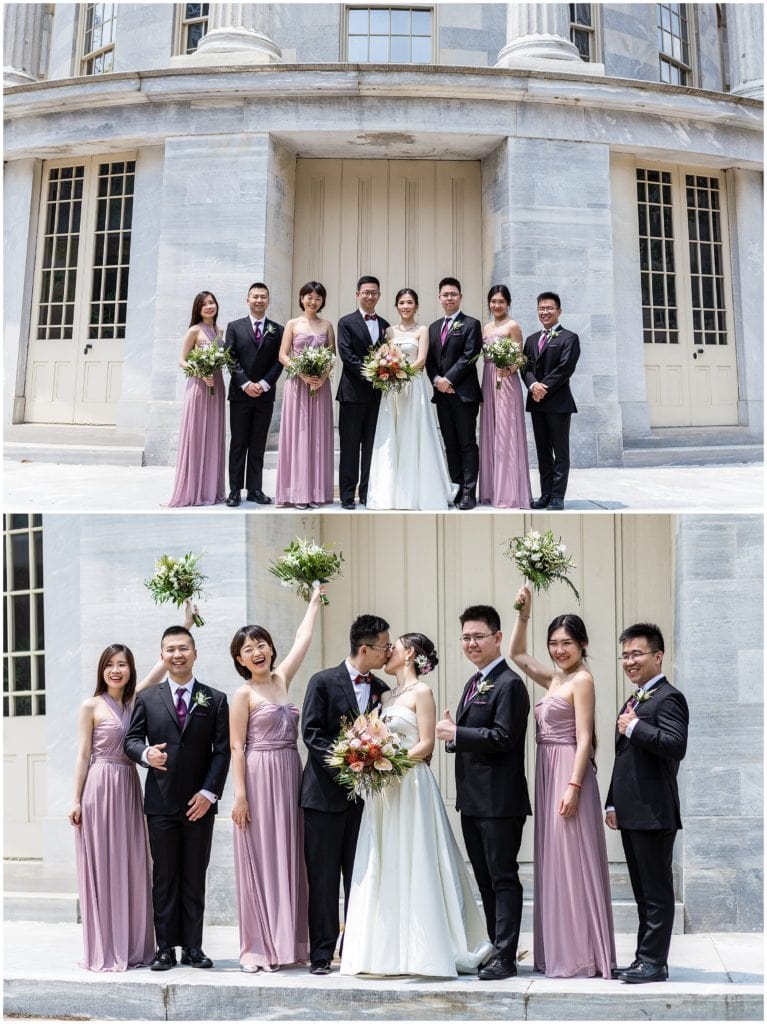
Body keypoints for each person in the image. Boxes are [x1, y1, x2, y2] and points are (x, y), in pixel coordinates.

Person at [341, 633, 491, 977]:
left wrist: (386, 761)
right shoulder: (385, 694)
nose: (387, 651)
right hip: (384, 791)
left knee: (418, 859)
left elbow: (426, 746)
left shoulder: (422, 693)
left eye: (393, 646)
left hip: (411, 785)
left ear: (409, 653)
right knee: (385, 861)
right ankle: (385, 951)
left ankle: (427, 948)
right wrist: (365, 757)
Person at [69, 603, 199, 972]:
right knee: (104, 865)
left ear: (130, 669)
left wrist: (185, 625)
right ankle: (106, 946)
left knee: (132, 865)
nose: (116, 670)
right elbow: (81, 756)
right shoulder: (90, 706)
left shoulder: (136, 699)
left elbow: (164, 667)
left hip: (129, 787)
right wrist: (75, 799)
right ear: (102, 670)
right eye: (110, 664)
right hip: (99, 786)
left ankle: (134, 946)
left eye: (122, 664)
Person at [509, 587, 615, 978]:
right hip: (547, 768)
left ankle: (581, 954)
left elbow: (585, 736)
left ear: (583, 644)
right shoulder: (554, 678)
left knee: (573, 860)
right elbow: (517, 655)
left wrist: (574, 785)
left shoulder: (581, 680)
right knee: (555, 860)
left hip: (569, 770)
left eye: (566, 643)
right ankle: (559, 948)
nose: (558, 650)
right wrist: (524, 613)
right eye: (553, 643)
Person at [229, 584, 326, 973]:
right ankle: (259, 946)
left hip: (290, 773)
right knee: (263, 857)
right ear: (240, 658)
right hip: (257, 777)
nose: (258, 651)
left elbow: (303, 638)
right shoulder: (243, 694)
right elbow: (237, 746)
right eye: (249, 648)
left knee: (291, 857)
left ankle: (291, 942)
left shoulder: (283, 679)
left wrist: (315, 601)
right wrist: (240, 796)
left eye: (262, 644)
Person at [124, 625, 230, 971]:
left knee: (194, 875)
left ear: (195, 654)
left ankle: (194, 948)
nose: (177, 654)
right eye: (170, 649)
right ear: (162, 656)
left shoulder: (215, 699)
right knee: (165, 877)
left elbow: (221, 752)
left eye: (183, 648)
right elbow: (131, 740)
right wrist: (145, 755)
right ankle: (165, 948)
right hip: (161, 803)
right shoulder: (147, 698)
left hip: (200, 804)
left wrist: (209, 793)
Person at [435, 605, 531, 980]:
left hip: (500, 801)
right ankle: (494, 947)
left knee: (504, 877)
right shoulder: (473, 683)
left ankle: (507, 955)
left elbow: (505, 738)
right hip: (473, 800)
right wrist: (451, 734)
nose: (471, 643)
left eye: (478, 636)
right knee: (486, 879)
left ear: (497, 638)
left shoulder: (510, 684)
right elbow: (473, 736)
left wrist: (457, 734)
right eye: (465, 637)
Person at [299, 614, 391, 975]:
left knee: (359, 876)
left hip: (366, 801)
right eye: (383, 646)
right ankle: (321, 953)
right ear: (364, 648)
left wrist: (372, 764)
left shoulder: (382, 688)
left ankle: (354, 949)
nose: (388, 652)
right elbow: (311, 733)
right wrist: (349, 762)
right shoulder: (322, 682)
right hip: (322, 798)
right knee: (322, 879)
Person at [605, 623, 689, 984]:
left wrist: (636, 727)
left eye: (636, 653)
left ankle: (654, 962)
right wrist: (611, 803)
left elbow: (675, 745)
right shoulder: (636, 698)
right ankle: (645, 958)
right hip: (632, 812)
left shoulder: (669, 697)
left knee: (656, 893)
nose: (629, 661)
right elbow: (623, 757)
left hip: (655, 812)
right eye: (625, 655)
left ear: (658, 656)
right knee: (642, 893)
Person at [366, 287, 457, 510]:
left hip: (413, 386)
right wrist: (386, 371)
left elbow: (422, 360)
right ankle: (391, 493)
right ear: (396, 306)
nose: (405, 306)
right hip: (392, 390)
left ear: (416, 305)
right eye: (401, 303)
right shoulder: (389, 331)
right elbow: (382, 357)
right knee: (392, 435)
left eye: (409, 302)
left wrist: (401, 372)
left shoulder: (422, 330)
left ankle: (419, 491)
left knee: (414, 433)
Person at [275, 282, 335, 509]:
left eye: (318, 298)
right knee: (297, 435)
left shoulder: (327, 325)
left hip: (320, 386)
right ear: (301, 298)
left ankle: (316, 491)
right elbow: (282, 354)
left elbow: (331, 356)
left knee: (317, 437)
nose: (313, 301)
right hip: (297, 385)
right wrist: (300, 372)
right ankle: (297, 492)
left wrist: (322, 378)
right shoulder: (292, 324)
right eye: (309, 297)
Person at [224, 282, 284, 507]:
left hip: (265, 395)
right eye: (255, 296)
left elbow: (279, 360)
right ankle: (234, 490)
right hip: (240, 395)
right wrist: (246, 383)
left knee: (258, 443)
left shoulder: (277, 329)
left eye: (263, 297)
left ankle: (255, 489)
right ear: (247, 300)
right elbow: (230, 358)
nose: (259, 300)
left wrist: (265, 384)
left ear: (268, 300)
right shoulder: (234, 327)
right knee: (239, 443)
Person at [426, 277, 483, 510]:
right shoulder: (433, 327)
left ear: (460, 297)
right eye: (445, 295)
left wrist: (449, 379)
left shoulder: (471, 324)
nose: (449, 298)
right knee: (450, 444)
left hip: (464, 394)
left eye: (453, 294)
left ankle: (470, 493)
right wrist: (437, 380)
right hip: (442, 394)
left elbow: (469, 355)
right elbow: (430, 360)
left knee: (467, 443)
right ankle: (456, 488)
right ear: (439, 298)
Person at [336, 276, 390, 509]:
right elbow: (347, 356)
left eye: (374, 292)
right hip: (352, 393)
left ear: (379, 295)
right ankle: (347, 495)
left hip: (378, 395)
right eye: (366, 292)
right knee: (349, 447)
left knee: (371, 447)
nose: (370, 296)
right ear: (358, 294)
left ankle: (368, 493)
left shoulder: (386, 325)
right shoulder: (345, 322)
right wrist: (371, 373)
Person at [522, 291, 580, 511]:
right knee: (543, 451)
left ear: (559, 311)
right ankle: (545, 493)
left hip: (558, 402)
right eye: (541, 308)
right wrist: (532, 385)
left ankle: (558, 496)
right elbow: (525, 367)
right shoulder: (531, 339)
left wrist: (542, 387)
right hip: (536, 402)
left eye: (549, 308)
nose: (545, 312)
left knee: (560, 452)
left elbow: (565, 368)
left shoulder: (569, 338)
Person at [168, 291, 227, 507]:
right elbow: (182, 361)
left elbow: (223, 359)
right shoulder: (194, 330)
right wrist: (201, 373)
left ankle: (211, 490)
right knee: (197, 434)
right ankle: (193, 490)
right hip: (199, 387)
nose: (209, 306)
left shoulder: (220, 331)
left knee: (213, 435)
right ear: (198, 309)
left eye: (212, 302)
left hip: (217, 386)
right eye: (204, 304)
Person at [478, 285, 532, 509]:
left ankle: (509, 492)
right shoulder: (486, 326)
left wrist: (508, 370)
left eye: (501, 301)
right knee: (491, 432)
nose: (496, 305)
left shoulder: (513, 326)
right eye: (493, 301)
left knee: (506, 432)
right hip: (488, 379)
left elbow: (521, 358)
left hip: (506, 381)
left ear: (508, 303)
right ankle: (491, 490)